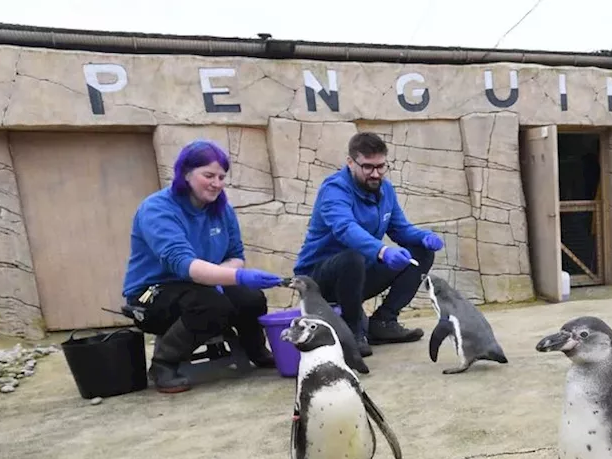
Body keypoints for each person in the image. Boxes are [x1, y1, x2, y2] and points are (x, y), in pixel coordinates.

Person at [121, 139, 286, 394]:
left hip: (199, 285)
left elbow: (235, 255)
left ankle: (256, 350)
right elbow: (183, 264)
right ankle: (164, 364)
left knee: (251, 298)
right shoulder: (158, 209)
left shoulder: (222, 210)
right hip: (153, 292)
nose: (217, 183)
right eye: (208, 175)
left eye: (221, 177)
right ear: (185, 173)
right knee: (210, 304)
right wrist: (237, 276)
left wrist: (229, 275)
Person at [292, 132, 444, 357]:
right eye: (368, 167)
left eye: (381, 166)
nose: (375, 173)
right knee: (352, 257)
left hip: (359, 273)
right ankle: (354, 332)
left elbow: (400, 229)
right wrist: (382, 251)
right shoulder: (334, 190)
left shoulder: (385, 190)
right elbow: (345, 229)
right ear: (350, 162)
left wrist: (424, 237)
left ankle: (383, 322)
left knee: (420, 253)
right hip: (320, 279)